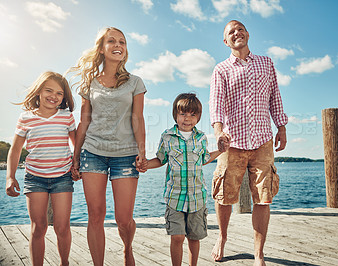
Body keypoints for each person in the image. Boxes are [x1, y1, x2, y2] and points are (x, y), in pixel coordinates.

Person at [209, 20, 288, 266]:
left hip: (263, 140)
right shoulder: (221, 69)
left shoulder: (266, 63)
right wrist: (219, 132)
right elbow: (216, 104)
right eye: (231, 32)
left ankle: (259, 253)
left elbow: (275, 95)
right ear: (226, 41)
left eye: (240, 29)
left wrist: (281, 126)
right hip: (231, 142)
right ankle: (222, 237)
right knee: (223, 195)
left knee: (263, 197)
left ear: (248, 34)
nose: (236, 33)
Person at [69, 27, 146, 266]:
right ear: (101, 48)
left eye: (122, 41)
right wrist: (76, 157)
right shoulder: (89, 83)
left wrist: (142, 152)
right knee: (96, 215)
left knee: (124, 219)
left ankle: (127, 249)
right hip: (92, 154)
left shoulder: (135, 82)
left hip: (125, 156)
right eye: (111, 41)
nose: (118, 45)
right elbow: (84, 121)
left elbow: (137, 118)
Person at [136, 93, 229, 266]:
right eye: (183, 114)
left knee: (194, 238)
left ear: (199, 117)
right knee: (177, 237)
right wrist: (145, 165)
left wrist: (221, 151)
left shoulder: (201, 138)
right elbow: (161, 159)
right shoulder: (167, 136)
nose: (187, 118)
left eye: (193, 114)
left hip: (197, 198)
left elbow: (204, 158)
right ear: (175, 115)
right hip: (175, 198)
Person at [5, 71, 77, 266]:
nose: (53, 96)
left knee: (62, 227)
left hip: (62, 177)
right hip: (35, 178)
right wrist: (10, 177)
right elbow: (15, 149)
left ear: (64, 97)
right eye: (48, 90)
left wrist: (76, 165)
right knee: (39, 227)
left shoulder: (66, 117)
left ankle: (64, 263)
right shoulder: (26, 118)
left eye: (59, 93)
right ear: (38, 91)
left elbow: (76, 145)